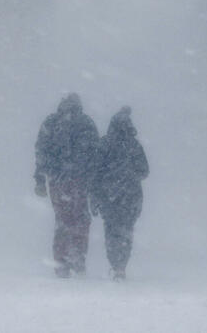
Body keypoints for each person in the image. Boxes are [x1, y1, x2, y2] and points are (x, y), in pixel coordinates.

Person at [34, 92, 99, 278]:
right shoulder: (86, 123)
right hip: (80, 180)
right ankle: (78, 259)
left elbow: (41, 151)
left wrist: (40, 179)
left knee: (62, 220)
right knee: (80, 219)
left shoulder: (51, 122)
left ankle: (61, 263)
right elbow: (96, 155)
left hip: (57, 180)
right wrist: (94, 183)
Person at [91, 106, 148, 281]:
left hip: (108, 196)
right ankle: (122, 266)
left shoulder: (104, 144)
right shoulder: (134, 145)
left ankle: (115, 265)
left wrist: (94, 197)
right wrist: (130, 177)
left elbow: (95, 173)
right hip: (131, 196)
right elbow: (145, 171)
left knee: (111, 230)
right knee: (126, 231)